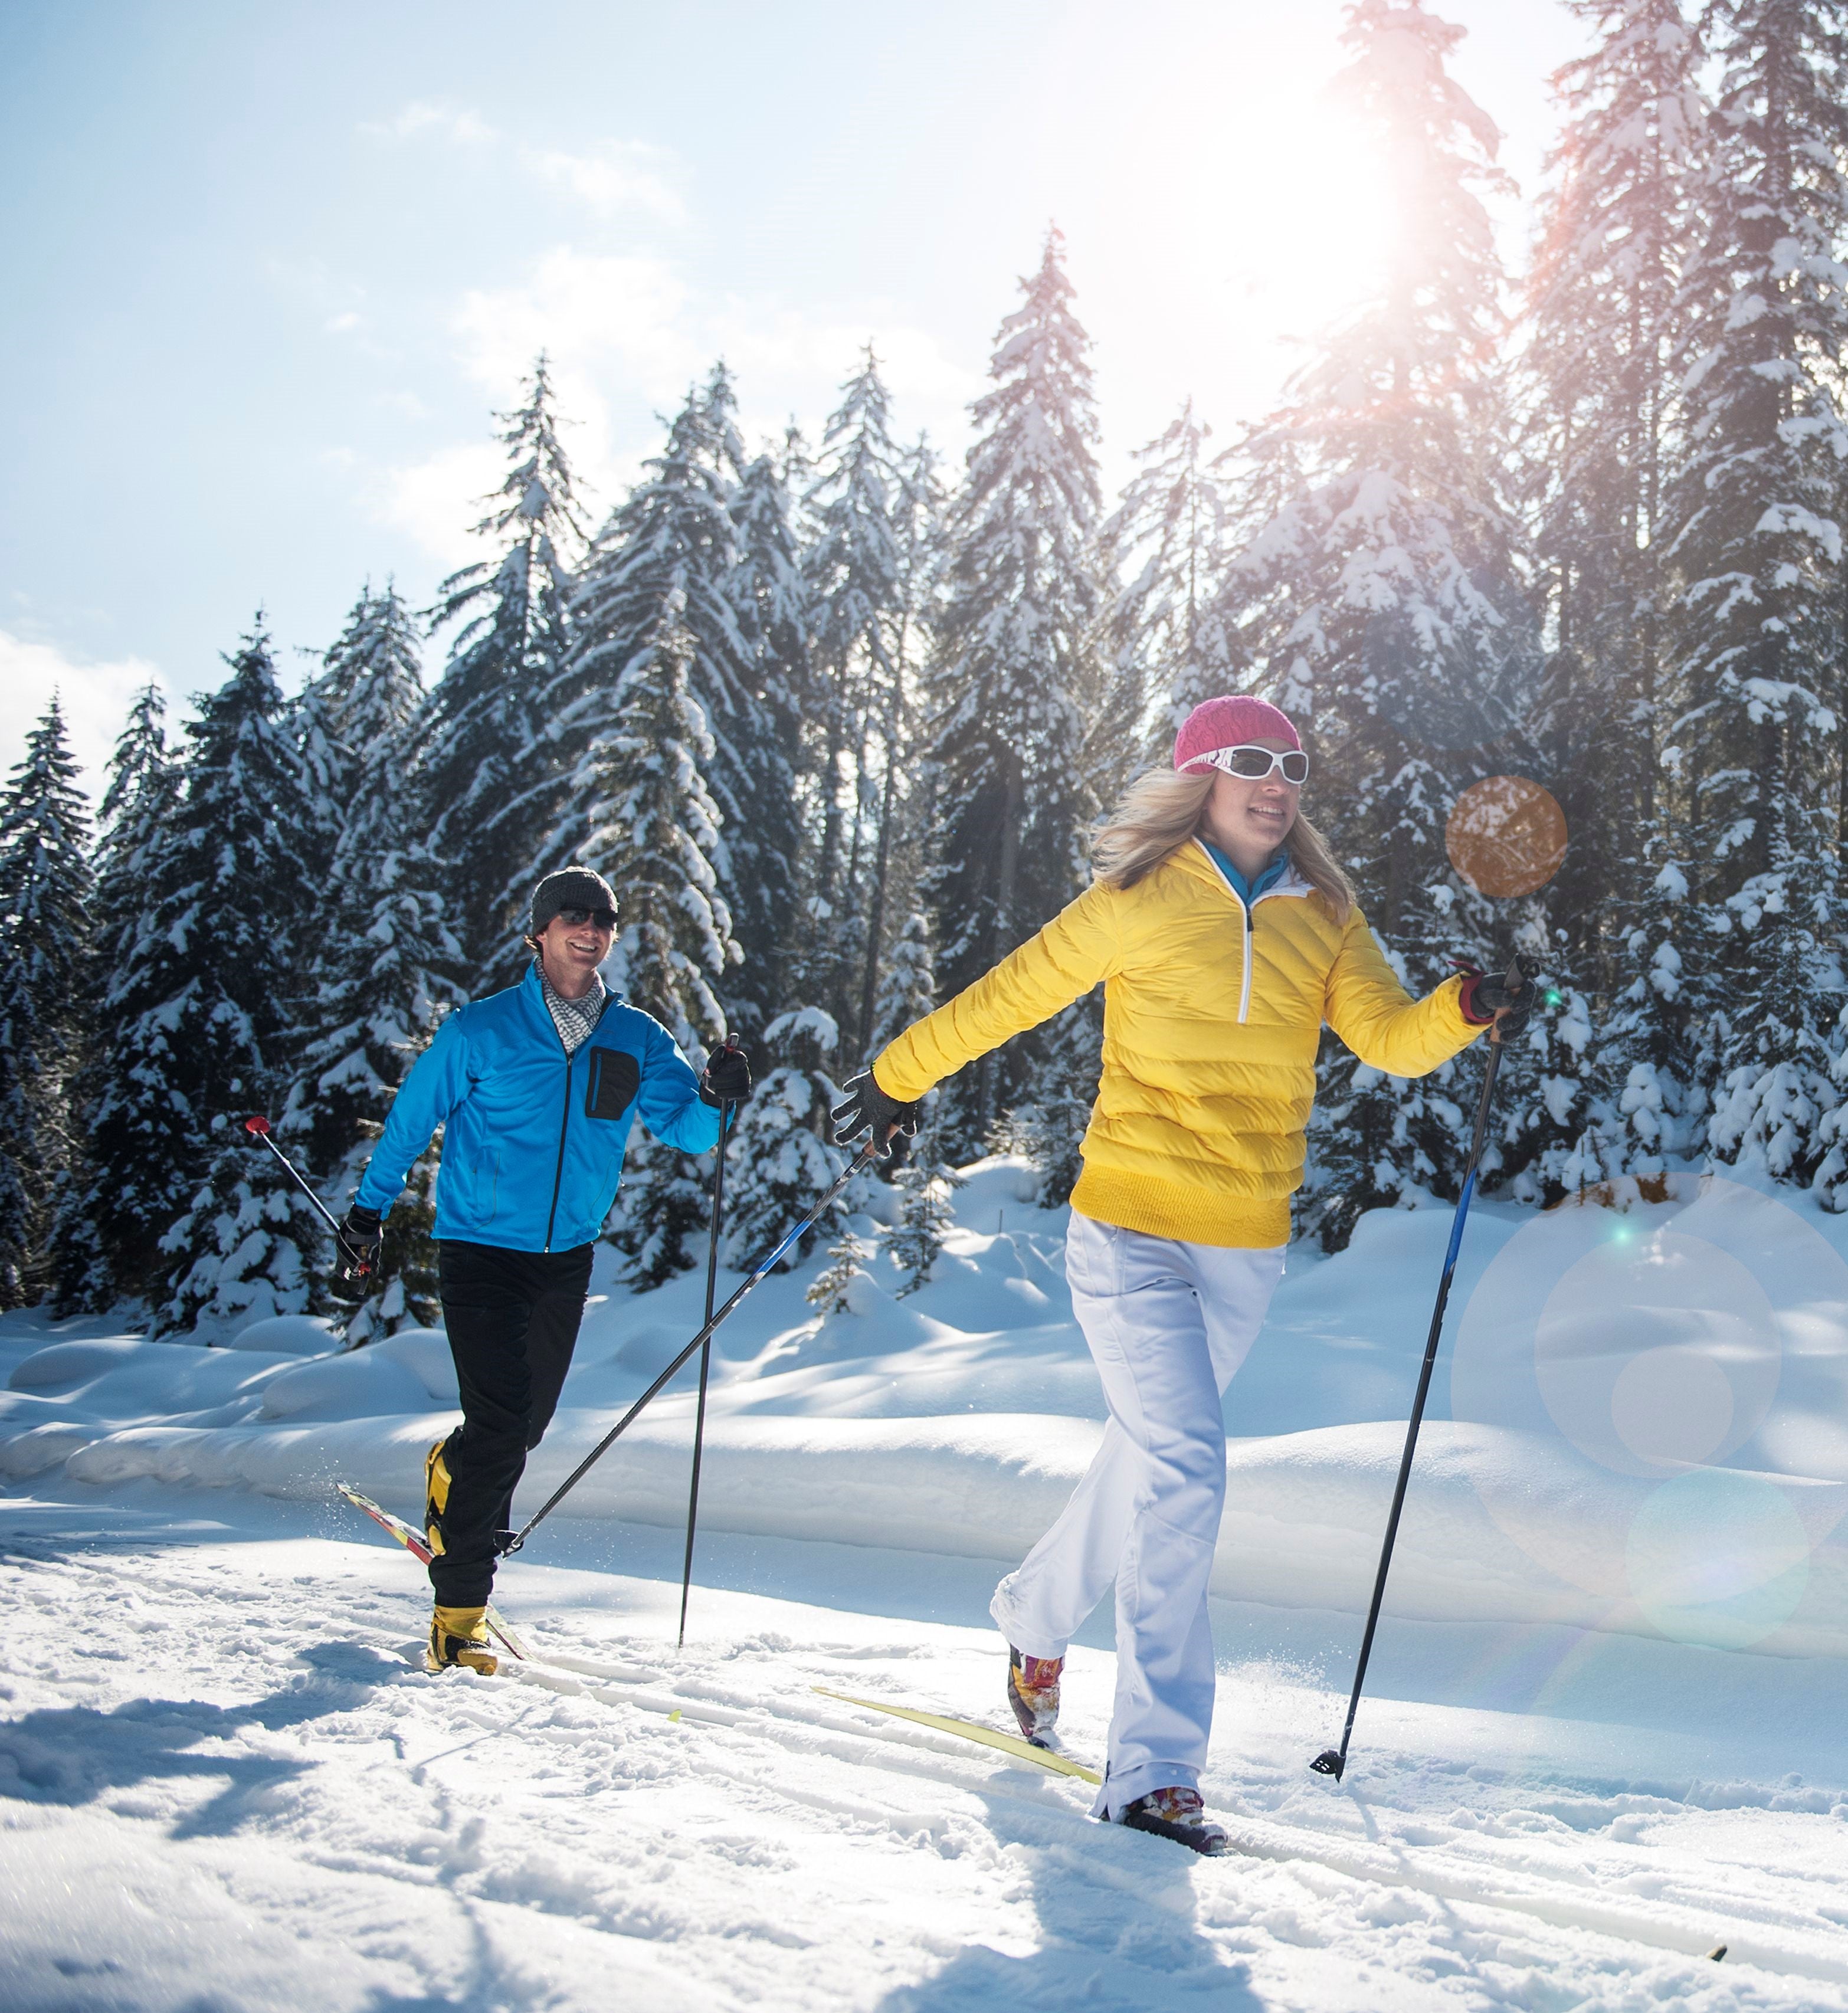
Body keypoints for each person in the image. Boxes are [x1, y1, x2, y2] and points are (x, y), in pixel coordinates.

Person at [831, 696, 1528, 1853]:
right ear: (1200, 775)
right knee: (1189, 1465)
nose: (1277, 780)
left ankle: (1037, 1610)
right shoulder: (1139, 896)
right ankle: (1153, 1768)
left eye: (1293, 764)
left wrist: (1461, 1008)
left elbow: (1389, 1042)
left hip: (1244, 1248)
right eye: (1251, 761)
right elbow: (1011, 991)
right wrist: (898, 1076)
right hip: (1129, 1232)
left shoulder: (1329, 913)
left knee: (1150, 1455)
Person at [339, 865, 752, 1676]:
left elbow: (690, 1132)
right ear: (540, 931)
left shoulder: (635, 1036)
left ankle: (450, 1472)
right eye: (574, 916)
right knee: (502, 1426)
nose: (591, 929)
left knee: (519, 1428)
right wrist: (368, 1211)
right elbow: (410, 1120)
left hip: (566, 1259)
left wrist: (714, 1094)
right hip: (478, 1250)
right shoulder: (481, 1031)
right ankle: (459, 1619)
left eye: (604, 919)